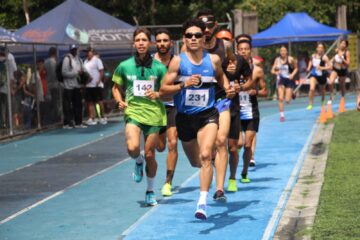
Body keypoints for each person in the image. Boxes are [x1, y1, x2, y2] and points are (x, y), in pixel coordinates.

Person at [160, 18, 235, 220]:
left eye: (197, 35)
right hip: (184, 118)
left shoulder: (213, 60)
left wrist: (228, 88)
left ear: (204, 38)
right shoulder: (178, 62)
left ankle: (202, 203)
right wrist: (183, 85)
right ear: (184, 39)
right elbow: (163, 90)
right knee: (196, 162)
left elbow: (220, 77)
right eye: (189, 36)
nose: (193, 38)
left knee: (204, 155)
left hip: (207, 115)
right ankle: (208, 166)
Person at [112, 27, 167, 207]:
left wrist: (158, 94)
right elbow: (115, 87)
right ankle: (138, 160)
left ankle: (150, 191)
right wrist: (120, 101)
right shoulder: (125, 65)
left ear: (149, 43)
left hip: (154, 115)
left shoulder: (159, 68)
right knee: (133, 146)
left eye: (144, 40)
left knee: (151, 154)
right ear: (134, 43)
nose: (141, 43)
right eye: (138, 40)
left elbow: (167, 90)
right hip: (133, 112)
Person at [196, 8, 234, 201]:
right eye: (202, 26)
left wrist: (230, 80)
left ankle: (219, 189)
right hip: (201, 103)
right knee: (205, 151)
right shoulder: (193, 48)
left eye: (209, 25)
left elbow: (232, 65)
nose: (206, 29)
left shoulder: (225, 45)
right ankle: (208, 170)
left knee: (221, 141)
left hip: (221, 99)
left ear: (216, 25)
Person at [228, 39, 267, 191]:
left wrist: (255, 91)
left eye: (246, 49)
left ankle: (244, 172)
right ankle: (233, 171)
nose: (243, 51)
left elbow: (265, 91)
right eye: (241, 49)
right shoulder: (231, 68)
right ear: (237, 51)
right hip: (236, 110)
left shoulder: (257, 70)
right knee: (237, 144)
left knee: (248, 144)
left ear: (251, 51)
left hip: (251, 112)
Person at [152, 28, 179, 197]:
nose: (162, 43)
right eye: (159, 40)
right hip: (154, 108)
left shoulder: (177, 61)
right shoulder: (149, 62)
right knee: (160, 147)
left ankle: (168, 182)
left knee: (173, 143)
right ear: (155, 43)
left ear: (171, 43)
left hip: (173, 107)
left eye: (165, 40)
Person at [61, 44, 87, 129]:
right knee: (67, 105)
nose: (74, 51)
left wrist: (83, 73)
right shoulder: (67, 59)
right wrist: (76, 73)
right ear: (70, 50)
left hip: (77, 85)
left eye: (75, 49)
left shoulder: (79, 59)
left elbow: (83, 69)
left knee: (78, 104)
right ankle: (66, 123)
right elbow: (64, 73)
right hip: (68, 86)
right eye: (73, 50)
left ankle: (78, 122)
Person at [271, 45, 298, 122]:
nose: (283, 52)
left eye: (284, 50)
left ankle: (292, 93)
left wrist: (292, 74)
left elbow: (296, 68)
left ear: (286, 52)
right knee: (280, 98)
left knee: (287, 100)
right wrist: (276, 72)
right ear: (280, 52)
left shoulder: (290, 59)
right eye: (281, 51)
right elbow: (272, 70)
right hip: (281, 80)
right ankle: (282, 115)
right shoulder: (277, 60)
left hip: (289, 80)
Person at [83, 47, 107, 125]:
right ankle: (92, 118)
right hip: (88, 85)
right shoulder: (85, 61)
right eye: (85, 52)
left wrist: (99, 80)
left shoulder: (97, 60)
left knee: (99, 101)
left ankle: (103, 117)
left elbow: (101, 71)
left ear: (91, 52)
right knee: (90, 102)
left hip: (96, 85)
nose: (87, 53)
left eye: (88, 52)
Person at [306, 42, 331, 109]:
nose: (320, 49)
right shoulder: (313, 55)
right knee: (312, 88)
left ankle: (322, 102)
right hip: (314, 74)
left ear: (323, 49)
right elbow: (311, 61)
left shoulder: (324, 57)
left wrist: (322, 68)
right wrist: (308, 67)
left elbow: (330, 67)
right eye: (319, 47)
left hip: (322, 76)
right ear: (316, 48)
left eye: (321, 48)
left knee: (322, 90)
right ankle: (310, 103)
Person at [328, 38, 351, 112]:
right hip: (335, 69)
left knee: (342, 85)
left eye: (344, 44)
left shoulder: (347, 52)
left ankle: (343, 99)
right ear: (340, 43)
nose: (343, 45)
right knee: (330, 82)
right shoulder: (336, 50)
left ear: (346, 45)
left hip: (343, 70)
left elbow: (348, 63)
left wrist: (342, 59)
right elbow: (333, 58)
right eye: (342, 43)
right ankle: (332, 94)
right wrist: (331, 62)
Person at [0, 46, 17, 130]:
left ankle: (3, 125)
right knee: (8, 107)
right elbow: (13, 73)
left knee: (2, 106)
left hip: (3, 86)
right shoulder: (10, 57)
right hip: (6, 87)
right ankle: (8, 126)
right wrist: (12, 87)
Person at [44, 46, 61, 124]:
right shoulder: (54, 62)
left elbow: (45, 73)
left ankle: (50, 119)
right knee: (56, 102)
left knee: (49, 103)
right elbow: (56, 74)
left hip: (47, 84)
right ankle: (56, 118)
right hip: (55, 84)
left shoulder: (45, 62)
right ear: (55, 53)